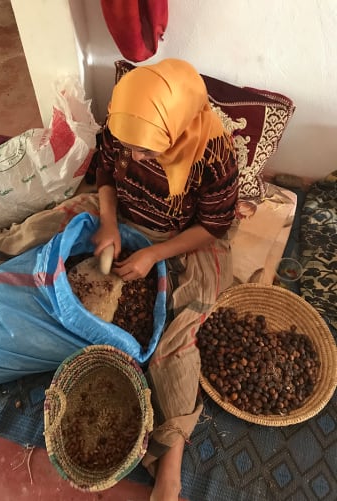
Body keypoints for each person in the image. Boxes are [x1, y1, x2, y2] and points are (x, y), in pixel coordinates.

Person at [91, 59, 239, 501]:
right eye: (130, 147)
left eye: (149, 152)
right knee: (46, 228)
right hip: (126, 218)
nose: (135, 157)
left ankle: (170, 458)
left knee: (181, 327)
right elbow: (103, 173)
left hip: (186, 240)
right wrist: (109, 224)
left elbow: (213, 225)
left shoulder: (213, 150)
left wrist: (154, 252)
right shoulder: (123, 119)